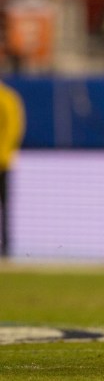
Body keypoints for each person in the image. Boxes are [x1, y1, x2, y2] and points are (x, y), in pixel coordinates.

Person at [0, 80, 26, 258]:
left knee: (5, 207)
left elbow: (13, 130)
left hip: (2, 163)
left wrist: (3, 155)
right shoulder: (9, 97)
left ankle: (6, 248)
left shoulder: (7, 98)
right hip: (4, 161)